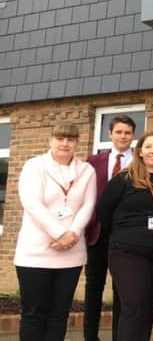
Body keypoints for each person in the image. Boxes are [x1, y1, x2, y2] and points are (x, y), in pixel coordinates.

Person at [97, 131, 153, 341]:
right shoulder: (123, 180)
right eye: (148, 146)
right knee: (134, 305)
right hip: (127, 253)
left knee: (147, 308)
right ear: (140, 152)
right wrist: (125, 235)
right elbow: (104, 211)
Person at [14, 121, 97, 341]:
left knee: (59, 314)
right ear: (50, 140)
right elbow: (32, 203)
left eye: (70, 139)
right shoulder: (34, 166)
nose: (65, 143)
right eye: (60, 138)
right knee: (34, 314)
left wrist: (72, 234)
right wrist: (61, 234)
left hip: (71, 254)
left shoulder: (87, 170)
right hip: (35, 254)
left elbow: (88, 205)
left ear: (77, 143)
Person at [84, 115, 136, 341]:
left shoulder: (139, 163)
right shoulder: (93, 162)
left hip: (125, 236)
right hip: (97, 234)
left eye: (127, 133)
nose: (123, 136)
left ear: (133, 136)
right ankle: (89, 337)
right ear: (110, 134)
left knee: (121, 290)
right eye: (119, 132)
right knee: (93, 287)